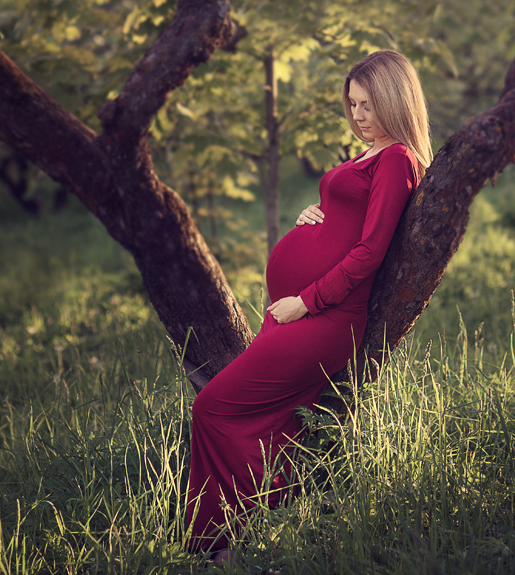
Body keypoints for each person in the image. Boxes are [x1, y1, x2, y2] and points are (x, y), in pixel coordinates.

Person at [185, 50, 434, 561]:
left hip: (327, 315)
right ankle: (275, 533)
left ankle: (219, 542)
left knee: (213, 408)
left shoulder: (397, 159)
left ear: (395, 99)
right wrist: (321, 210)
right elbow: (351, 221)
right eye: (353, 104)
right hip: (301, 310)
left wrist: (305, 300)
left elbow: (370, 253)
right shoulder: (371, 155)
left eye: (368, 104)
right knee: (273, 422)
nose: (358, 116)